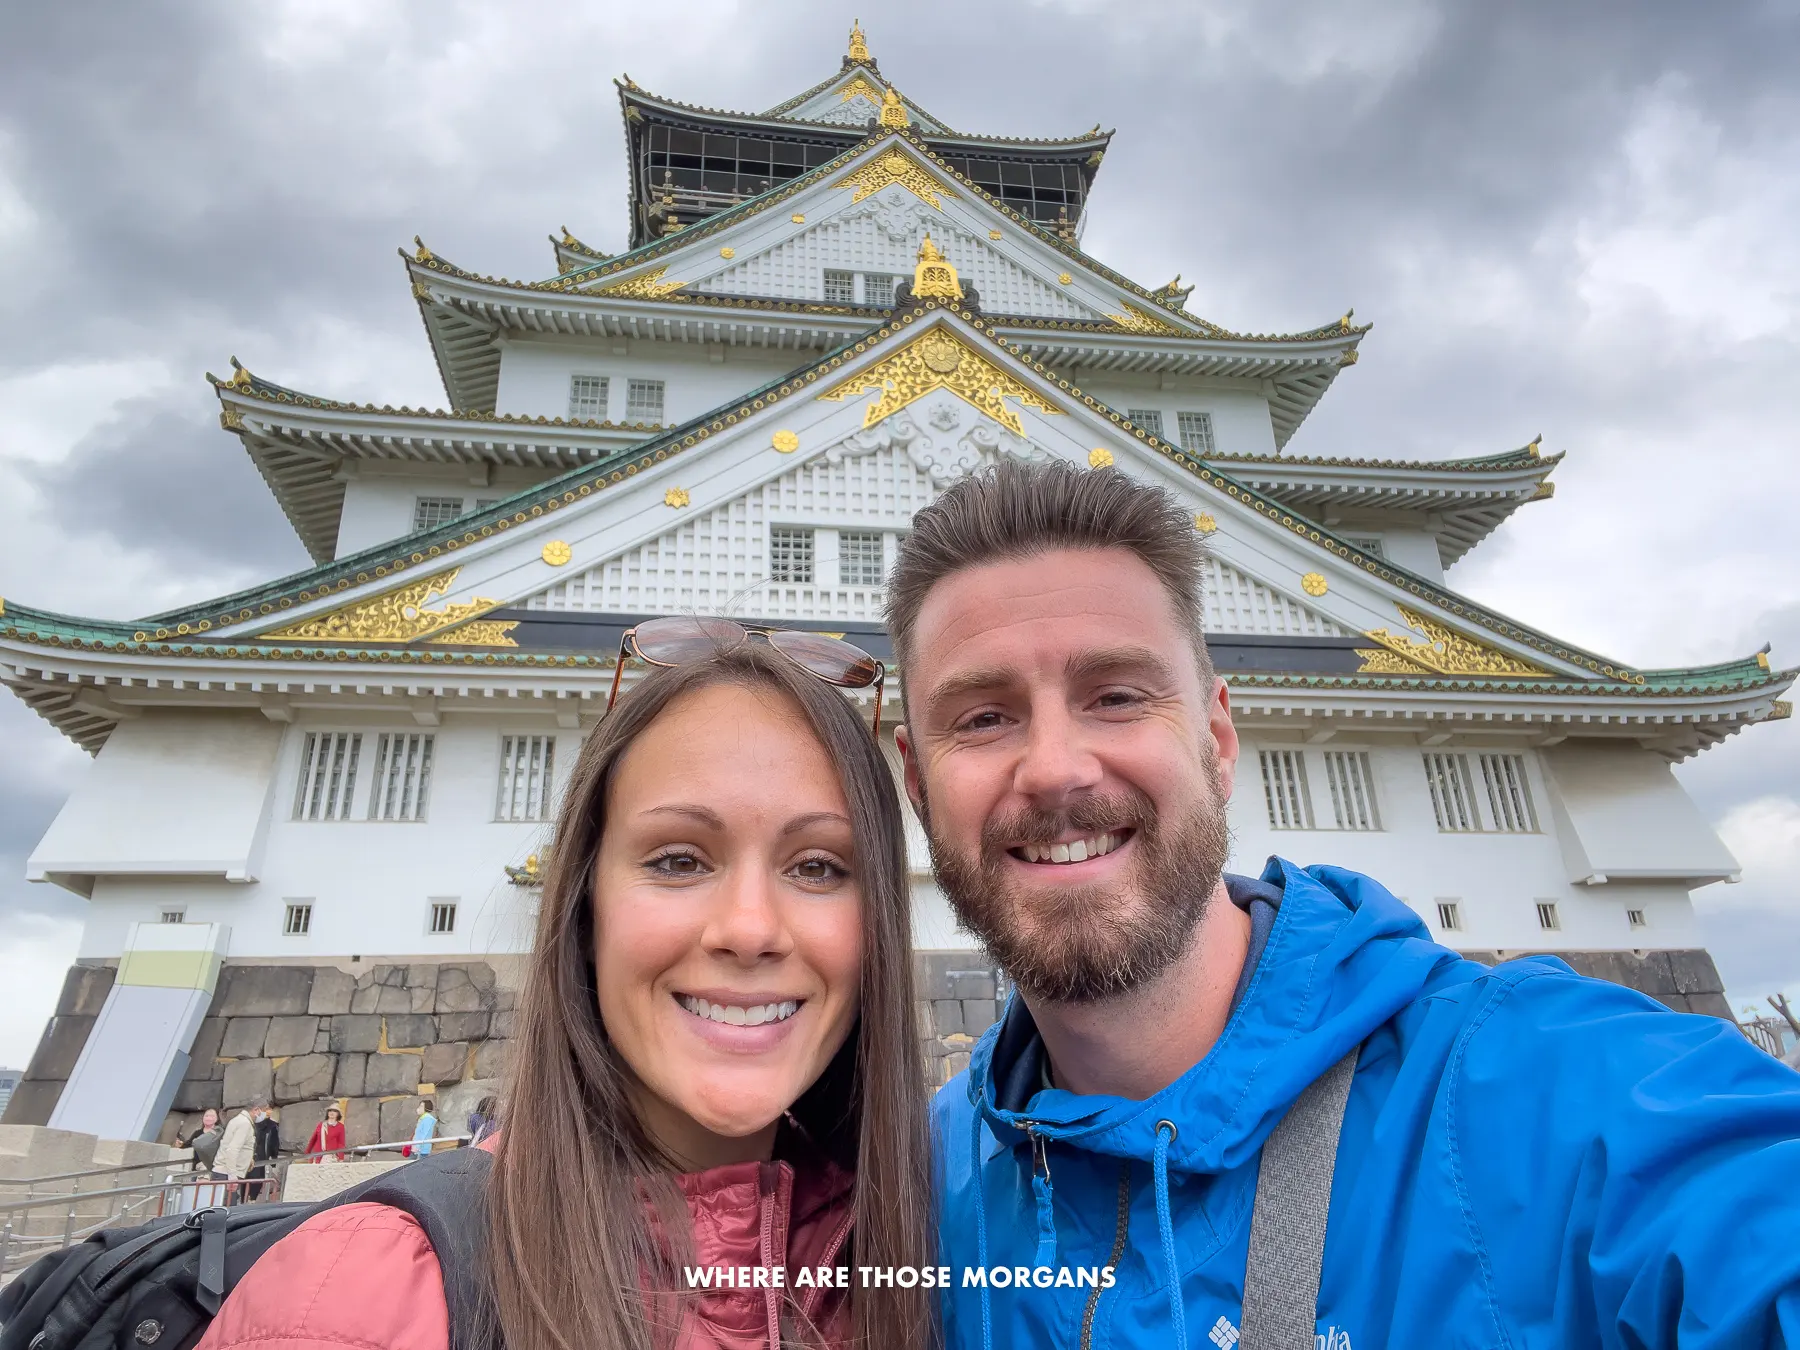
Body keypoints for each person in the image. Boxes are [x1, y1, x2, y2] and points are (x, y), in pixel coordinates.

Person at [886, 460, 1800, 1349]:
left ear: (1217, 739)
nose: (1053, 768)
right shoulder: (927, 1177)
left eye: (1116, 696)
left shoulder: (1547, 1095)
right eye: (983, 717)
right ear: (918, 786)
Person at [194, 637, 934, 1350]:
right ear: (584, 910)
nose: (749, 929)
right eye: (678, 860)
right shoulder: (358, 1293)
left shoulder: (929, 1257)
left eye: (817, 867)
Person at [214, 1101, 258, 1206]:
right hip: (227, 1174)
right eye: (264, 1111)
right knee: (226, 1210)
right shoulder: (245, 1123)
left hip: (225, 1172)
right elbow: (233, 1149)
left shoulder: (238, 1120)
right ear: (256, 1110)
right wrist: (232, 1175)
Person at [176, 1107, 222, 1175]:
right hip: (197, 1166)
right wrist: (181, 1144)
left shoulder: (219, 1133)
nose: (208, 1118)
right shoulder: (197, 1133)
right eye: (206, 1116)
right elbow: (189, 1144)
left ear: (217, 1118)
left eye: (212, 1116)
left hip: (212, 1167)